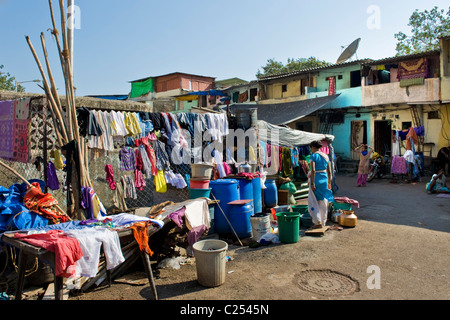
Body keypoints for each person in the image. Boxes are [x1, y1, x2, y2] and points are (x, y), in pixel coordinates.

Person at [308, 140, 334, 228]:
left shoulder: (313, 156)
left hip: (316, 179)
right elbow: (329, 171)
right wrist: (329, 183)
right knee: (323, 201)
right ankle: (323, 221)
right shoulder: (325, 156)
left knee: (314, 201)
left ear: (312, 147)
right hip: (325, 179)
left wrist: (312, 183)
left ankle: (317, 222)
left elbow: (313, 170)